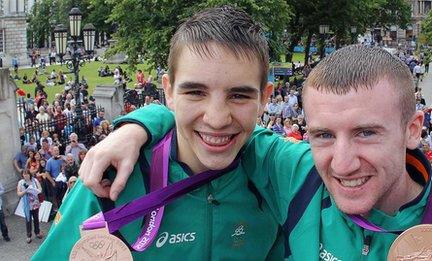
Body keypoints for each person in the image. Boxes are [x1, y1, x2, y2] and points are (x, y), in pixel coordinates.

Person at [80, 45, 432, 259]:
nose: (343, 163)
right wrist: (136, 127)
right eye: (323, 135)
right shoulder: (299, 174)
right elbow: (217, 123)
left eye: (366, 133)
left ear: (413, 129)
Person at [33, 6, 283, 260]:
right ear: (169, 92)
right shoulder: (107, 178)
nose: (216, 120)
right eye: (195, 92)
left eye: (239, 95)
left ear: (264, 98)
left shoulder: (274, 179)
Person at [17, 169, 43, 243]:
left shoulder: (34, 180)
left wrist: (35, 190)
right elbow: (18, 193)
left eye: (27, 174)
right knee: (28, 220)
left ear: (30, 174)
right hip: (27, 205)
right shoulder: (21, 182)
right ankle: (29, 235)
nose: (26, 175)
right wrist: (25, 191)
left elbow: (40, 189)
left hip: (35, 203)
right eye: (24, 174)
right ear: (22, 175)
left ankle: (37, 232)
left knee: (36, 219)